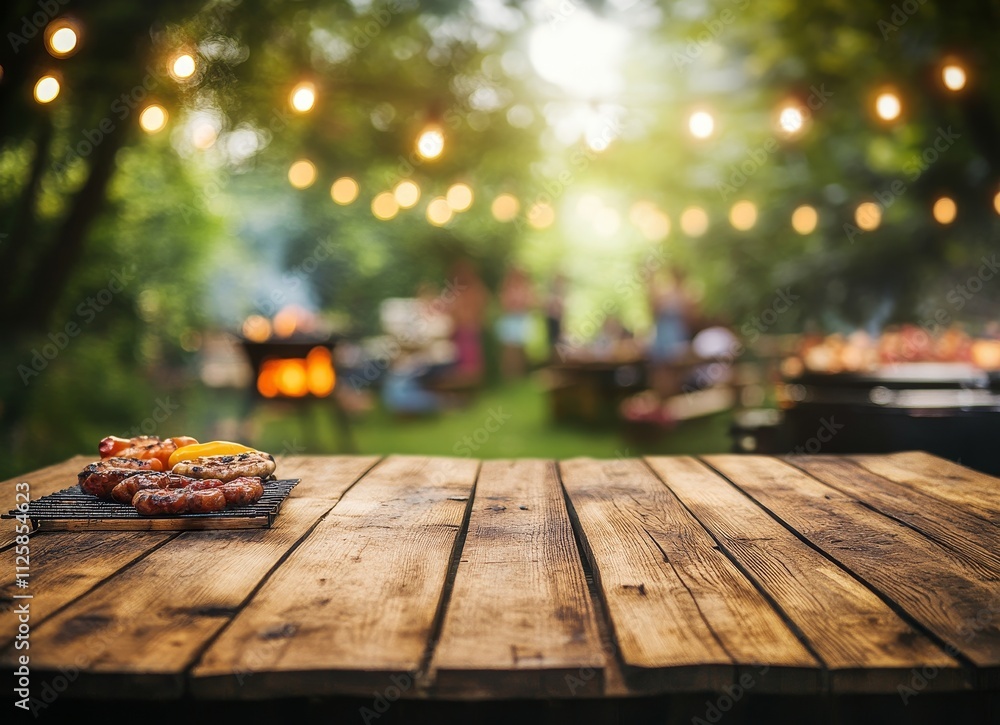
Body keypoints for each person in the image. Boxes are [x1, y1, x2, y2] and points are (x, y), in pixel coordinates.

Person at [495, 265, 537, 380]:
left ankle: (520, 374)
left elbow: (532, 302)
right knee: (509, 349)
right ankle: (508, 374)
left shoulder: (526, 287)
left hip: (522, 320)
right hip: (510, 320)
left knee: (520, 349)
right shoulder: (507, 287)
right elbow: (503, 303)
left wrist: (521, 305)